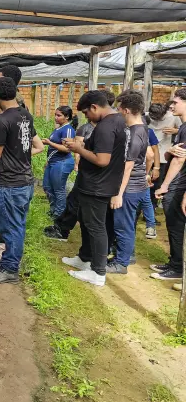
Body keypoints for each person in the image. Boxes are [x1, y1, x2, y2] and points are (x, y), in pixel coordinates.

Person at [0, 77, 43, 284]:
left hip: (9, 181)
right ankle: (10, 260)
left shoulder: (2, 120)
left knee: (10, 226)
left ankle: (9, 269)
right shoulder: (25, 115)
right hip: (24, 178)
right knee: (18, 224)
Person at [63, 90, 128, 287]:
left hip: (97, 185)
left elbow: (102, 159)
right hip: (96, 183)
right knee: (86, 221)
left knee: (96, 227)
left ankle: (98, 272)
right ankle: (85, 258)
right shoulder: (117, 121)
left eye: (86, 113)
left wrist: (78, 149)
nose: (86, 117)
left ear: (94, 107)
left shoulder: (106, 127)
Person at [107, 92, 152, 274]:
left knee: (123, 225)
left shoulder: (134, 134)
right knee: (127, 224)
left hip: (129, 188)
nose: (118, 112)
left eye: (119, 109)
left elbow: (127, 167)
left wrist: (118, 194)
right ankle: (125, 255)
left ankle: (121, 263)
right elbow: (148, 155)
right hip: (138, 184)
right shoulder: (144, 128)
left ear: (126, 110)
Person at [151, 88, 186, 283]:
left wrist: (164, 185)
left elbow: (179, 160)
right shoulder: (183, 126)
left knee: (176, 226)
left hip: (179, 183)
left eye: (176, 102)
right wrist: (170, 151)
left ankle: (178, 267)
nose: (171, 105)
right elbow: (173, 155)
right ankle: (174, 262)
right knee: (172, 225)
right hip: (178, 182)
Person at [42, 106, 77, 218]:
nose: (56, 117)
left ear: (66, 117)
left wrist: (50, 143)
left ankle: (59, 214)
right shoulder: (59, 128)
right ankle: (54, 210)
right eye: (55, 115)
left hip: (62, 162)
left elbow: (67, 149)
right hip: (53, 162)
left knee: (58, 189)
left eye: (59, 115)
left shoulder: (67, 130)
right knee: (47, 186)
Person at [147, 102, 181, 210]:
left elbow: (182, 129)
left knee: (156, 184)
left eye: (160, 118)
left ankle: (151, 209)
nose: (157, 120)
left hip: (162, 155)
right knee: (143, 182)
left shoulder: (172, 116)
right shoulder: (145, 116)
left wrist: (175, 131)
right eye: (154, 118)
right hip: (147, 154)